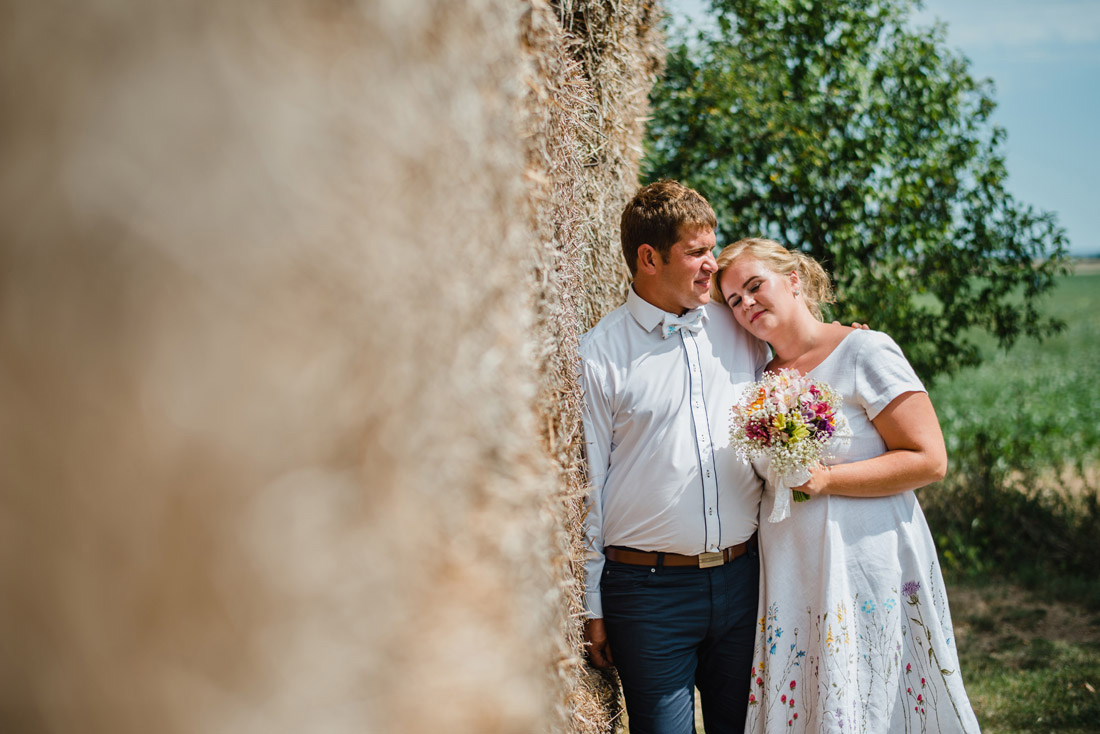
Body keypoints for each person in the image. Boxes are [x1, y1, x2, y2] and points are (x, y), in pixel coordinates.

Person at [712, 237, 981, 733]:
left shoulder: (864, 349)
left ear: (793, 279)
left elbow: (930, 459)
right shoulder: (754, 377)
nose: (747, 304)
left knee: (872, 700)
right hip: (792, 573)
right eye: (734, 300)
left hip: (865, 562)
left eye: (755, 286)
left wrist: (828, 479)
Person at [578, 180, 769, 734]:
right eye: (696, 252)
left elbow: (803, 350)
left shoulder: (740, 329)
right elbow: (590, 485)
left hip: (744, 579)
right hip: (648, 596)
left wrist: (843, 340)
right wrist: (593, 603)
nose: (713, 265)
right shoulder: (601, 356)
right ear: (649, 257)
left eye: (713, 248)